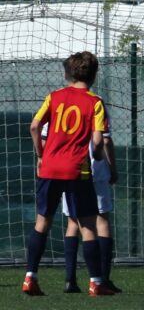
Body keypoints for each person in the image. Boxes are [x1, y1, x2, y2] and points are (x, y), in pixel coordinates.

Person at [23, 51, 114, 296]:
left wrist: (41, 154)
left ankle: (30, 277)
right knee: (87, 225)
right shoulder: (95, 102)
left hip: (49, 168)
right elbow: (97, 140)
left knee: (43, 222)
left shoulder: (54, 97)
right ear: (94, 75)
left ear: (67, 73)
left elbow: (34, 126)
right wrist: (95, 154)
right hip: (77, 171)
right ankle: (96, 282)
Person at [41, 101, 121, 293]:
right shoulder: (95, 102)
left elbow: (43, 136)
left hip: (69, 169)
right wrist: (112, 167)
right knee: (101, 220)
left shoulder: (59, 101)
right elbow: (105, 140)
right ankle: (101, 280)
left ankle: (70, 279)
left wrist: (44, 159)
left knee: (73, 222)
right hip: (95, 170)